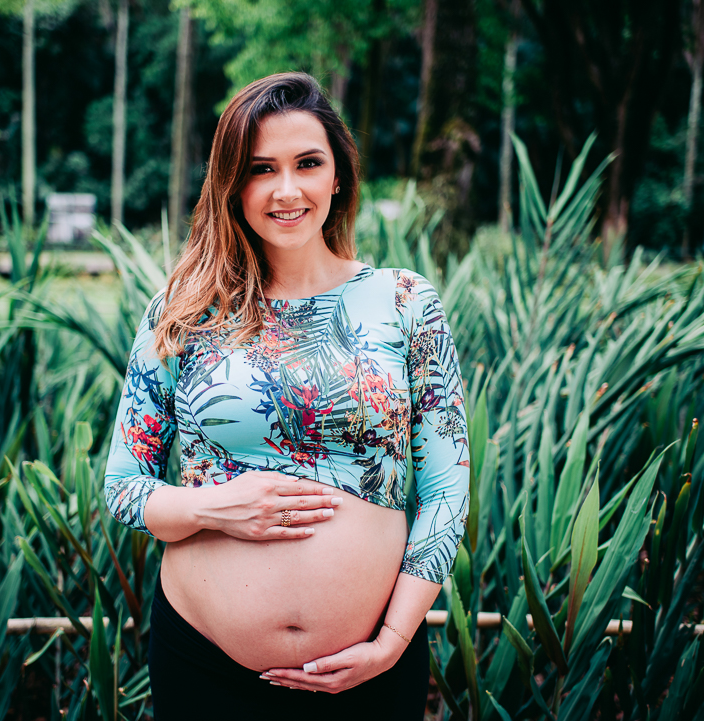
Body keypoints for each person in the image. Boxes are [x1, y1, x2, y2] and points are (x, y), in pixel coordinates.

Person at [103, 72, 469, 721]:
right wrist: (218, 506)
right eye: (260, 168)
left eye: (307, 163)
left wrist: (390, 642)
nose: (287, 189)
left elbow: (447, 489)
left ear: (339, 176)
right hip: (203, 660)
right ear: (231, 185)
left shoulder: (406, 302)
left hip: (370, 666)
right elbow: (125, 487)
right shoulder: (183, 312)